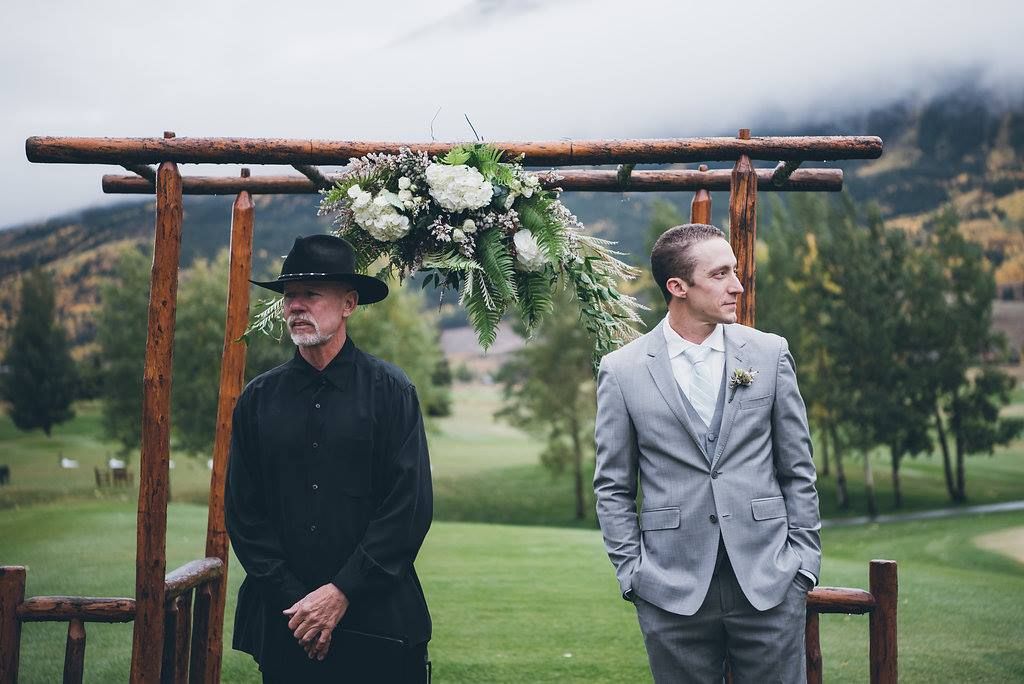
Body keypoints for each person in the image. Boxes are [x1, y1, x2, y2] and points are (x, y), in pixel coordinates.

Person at [593, 223, 821, 682]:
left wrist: (803, 566)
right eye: (720, 274)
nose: (737, 285)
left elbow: (798, 469)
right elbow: (613, 486)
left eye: (734, 271)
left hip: (769, 582)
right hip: (670, 590)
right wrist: (633, 575)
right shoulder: (621, 371)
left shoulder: (770, 354)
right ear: (678, 287)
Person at [226, 234, 433, 683]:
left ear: (348, 304)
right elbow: (244, 515)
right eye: (290, 295)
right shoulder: (257, 400)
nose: (295, 305)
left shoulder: (392, 392)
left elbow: (408, 509)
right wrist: (299, 605)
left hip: (380, 624)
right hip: (288, 625)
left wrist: (340, 592)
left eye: (311, 294)